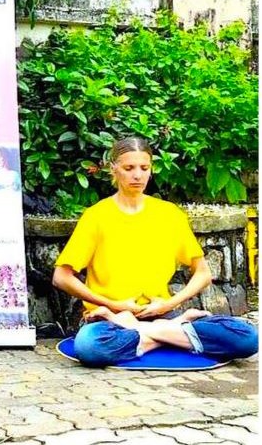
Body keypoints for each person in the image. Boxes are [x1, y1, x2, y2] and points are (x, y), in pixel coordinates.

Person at [52, 137, 258, 367]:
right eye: (129, 168)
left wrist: (169, 305)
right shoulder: (96, 216)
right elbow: (61, 277)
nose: (137, 175)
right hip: (110, 319)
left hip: (160, 312)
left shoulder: (168, 214)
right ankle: (176, 331)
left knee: (247, 338)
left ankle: (147, 332)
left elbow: (203, 273)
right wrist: (116, 307)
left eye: (144, 168)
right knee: (90, 346)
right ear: (114, 169)